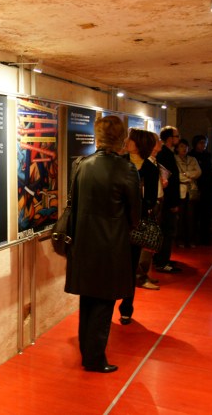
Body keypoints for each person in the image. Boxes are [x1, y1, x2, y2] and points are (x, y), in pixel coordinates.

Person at [64, 115, 141, 373]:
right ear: (121, 139)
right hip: (111, 243)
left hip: (83, 241)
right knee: (104, 300)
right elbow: (135, 215)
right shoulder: (126, 169)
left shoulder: (81, 164)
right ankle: (95, 358)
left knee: (87, 298)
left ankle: (88, 352)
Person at [118, 128, 158, 325]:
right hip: (115, 222)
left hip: (135, 224)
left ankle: (126, 308)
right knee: (113, 265)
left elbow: (151, 200)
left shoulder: (150, 169)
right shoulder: (119, 162)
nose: (126, 141)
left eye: (131, 139)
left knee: (131, 265)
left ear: (139, 144)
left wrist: (135, 203)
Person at [136, 133, 163, 291]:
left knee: (150, 243)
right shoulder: (143, 164)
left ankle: (144, 273)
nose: (160, 143)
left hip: (155, 203)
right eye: (157, 141)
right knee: (145, 243)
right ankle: (140, 276)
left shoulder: (153, 161)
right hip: (148, 207)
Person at [154, 126, 182, 273]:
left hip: (167, 199)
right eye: (176, 136)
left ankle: (162, 259)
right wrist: (173, 203)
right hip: (167, 201)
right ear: (170, 138)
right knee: (167, 231)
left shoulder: (167, 153)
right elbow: (169, 181)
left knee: (166, 231)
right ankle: (162, 261)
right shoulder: (165, 154)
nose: (178, 139)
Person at [188, 135, 212, 245]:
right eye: (201, 142)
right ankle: (194, 237)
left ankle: (205, 238)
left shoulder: (207, 155)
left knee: (207, 215)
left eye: (205, 143)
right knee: (195, 214)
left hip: (208, 188)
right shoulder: (191, 156)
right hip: (196, 188)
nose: (203, 145)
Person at [175, 139, 201, 248]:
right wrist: (189, 176)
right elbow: (176, 175)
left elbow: (198, 172)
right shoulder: (174, 159)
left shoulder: (192, 159)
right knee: (180, 216)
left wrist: (187, 174)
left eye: (186, 146)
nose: (184, 149)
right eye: (181, 146)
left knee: (191, 216)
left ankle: (190, 239)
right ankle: (180, 239)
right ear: (177, 148)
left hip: (191, 190)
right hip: (180, 190)